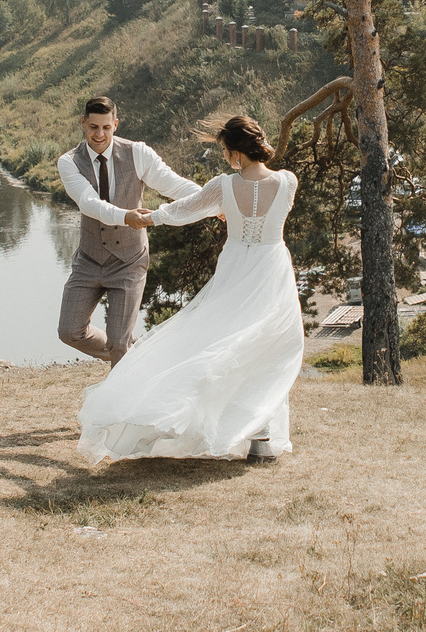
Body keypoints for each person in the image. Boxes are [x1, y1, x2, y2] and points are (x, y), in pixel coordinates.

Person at [78, 114, 304, 465]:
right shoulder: (288, 181)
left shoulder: (224, 186)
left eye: (226, 152)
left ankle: (247, 431)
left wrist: (151, 217)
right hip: (272, 267)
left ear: (235, 153)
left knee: (227, 340)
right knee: (268, 345)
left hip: (235, 269)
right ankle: (259, 437)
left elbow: (185, 210)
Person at [54, 95, 198, 366]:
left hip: (129, 260)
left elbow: (174, 186)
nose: (99, 134)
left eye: (106, 127)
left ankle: (121, 391)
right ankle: (137, 356)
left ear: (116, 125)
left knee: (119, 343)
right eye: (93, 127)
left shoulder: (138, 153)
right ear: (82, 123)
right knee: (69, 332)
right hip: (89, 259)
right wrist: (126, 216)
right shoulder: (69, 162)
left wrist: (214, 201)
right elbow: (89, 203)